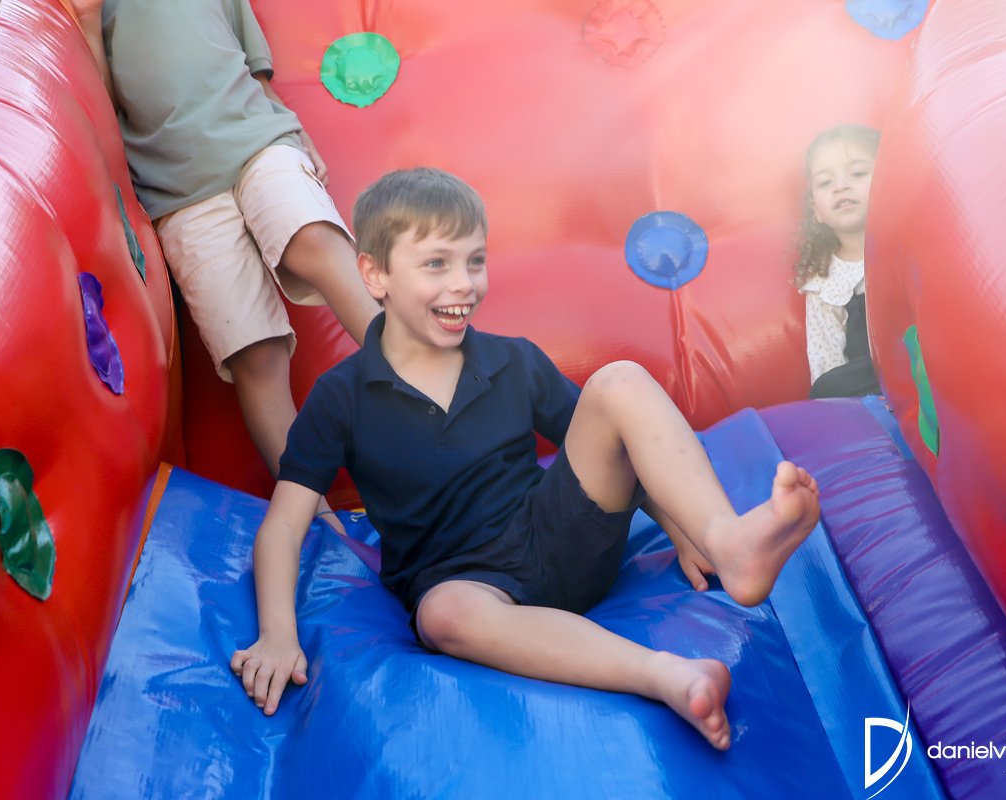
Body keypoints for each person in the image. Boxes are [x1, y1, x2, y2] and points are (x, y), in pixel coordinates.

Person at [230, 169, 822, 750]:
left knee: (618, 382)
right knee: (442, 616)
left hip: (561, 540)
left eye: (475, 261)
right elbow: (283, 526)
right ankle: (670, 676)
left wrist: (679, 527)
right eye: (436, 264)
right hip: (462, 580)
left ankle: (726, 541)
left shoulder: (512, 360)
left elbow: (619, 442)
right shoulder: (342, 396)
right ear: (374, 274)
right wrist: (278, 634)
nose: (463, 284)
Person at [68, 0, 381, 528]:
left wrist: (294, 127)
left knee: (313, 242)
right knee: (255, 354)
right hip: (179, 191)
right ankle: (321, 525)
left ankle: (434, 389)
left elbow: (254, 69)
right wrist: (89, 26)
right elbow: (102, 109)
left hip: (259, 142)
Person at [793, 125, 883, 399]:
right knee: (827, 387)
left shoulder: (912, 245)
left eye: (857, 173)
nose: (841, 186)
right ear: (816, 211)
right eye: (825, 182)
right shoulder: (825, 285)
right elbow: (828, 365)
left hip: (922, 358)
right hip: (874, 381)